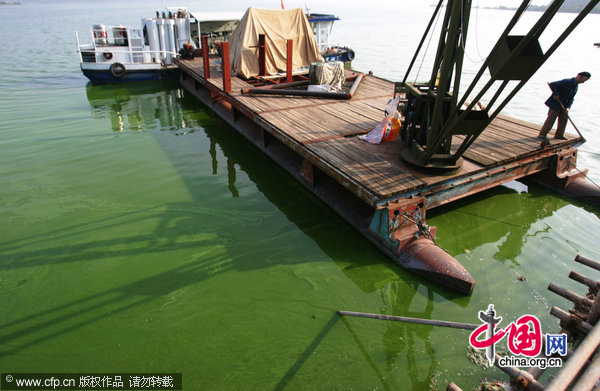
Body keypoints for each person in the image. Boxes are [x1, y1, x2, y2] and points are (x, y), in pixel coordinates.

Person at [538, 71, 590, 145]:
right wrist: (556, 94)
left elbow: (571, 98)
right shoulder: (567, 81)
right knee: (551, 119)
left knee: (564, 119)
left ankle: (559, 135)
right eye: (584, 80)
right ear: (579, 76)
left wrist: (568, 107)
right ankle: (542, 135)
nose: (584, 82)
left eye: (585, 81)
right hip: (556, 103)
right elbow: (553, 84)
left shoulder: (576, 86)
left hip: (564, 105)